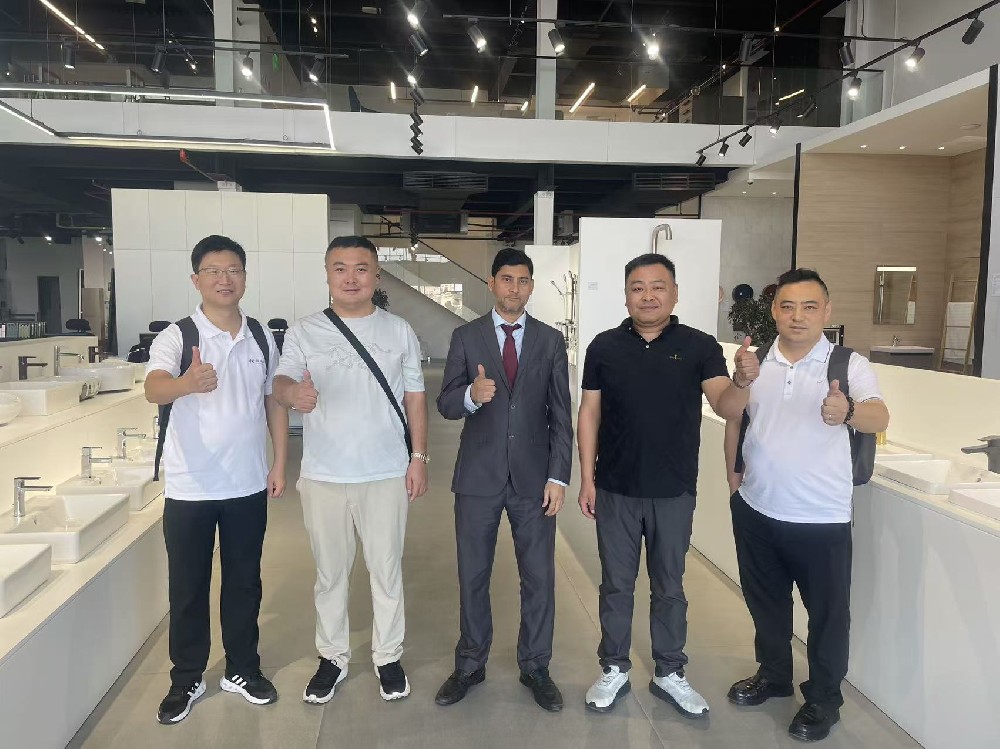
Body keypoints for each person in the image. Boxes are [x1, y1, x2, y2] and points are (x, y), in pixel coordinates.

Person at [577, 253, 759, 717]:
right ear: (626, 296)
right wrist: (587, 478)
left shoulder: (698, 346)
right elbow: (590, 412)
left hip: (674, 490)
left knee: (670, 587)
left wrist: (741, 381)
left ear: (674, 294)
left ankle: (669, 672)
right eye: (637, 287)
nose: (648, 296)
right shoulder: (604, 346)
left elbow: (727, 406)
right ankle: (613, 667)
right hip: (615, 487)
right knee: (616, 586)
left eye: (658, 286)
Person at [723, 268, 889, 742]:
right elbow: (731, 413)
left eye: (810, 307)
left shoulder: (848, 365)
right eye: (788, 306)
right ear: (775, 310)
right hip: (757, 509)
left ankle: (823, 699)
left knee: (828, 616)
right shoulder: (757, 360)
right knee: (766, 605)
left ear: (826, 311)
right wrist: (734, 484)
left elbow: (880, 415)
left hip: (822, 518)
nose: (798, 316)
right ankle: (774, 676)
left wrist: (849, 411)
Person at [272, 235, 429, 706]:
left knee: (386, 571)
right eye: (340, 268)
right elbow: (280, 382)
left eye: (361, 268)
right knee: (330, 574)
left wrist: (418, 457)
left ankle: (388, 656)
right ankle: (332, 657)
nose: (351, 277)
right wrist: (292, 395)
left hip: (385, 472)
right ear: (327, 275)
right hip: (324, 474)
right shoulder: (304, 331)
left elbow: (415, 397)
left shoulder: (398, 330)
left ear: (376, 275)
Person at [145, 234, 287, 725]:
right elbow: (153, 388)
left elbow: (273, 401)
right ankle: (186, 677)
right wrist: (185, 383)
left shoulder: (260, 336)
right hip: (191, 487)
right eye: (213, 271)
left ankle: (243, 668)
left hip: (246, 483)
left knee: (245, 582)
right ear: (196, 279)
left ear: (244, 277)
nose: (225, 280)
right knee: (188, 587)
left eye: (233, 271)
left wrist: (280, 462)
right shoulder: (178, 335)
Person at [435, 248, 573, 712]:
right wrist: (471, 396)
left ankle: (535, 666)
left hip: (534, 481)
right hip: (478, 477)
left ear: (531, 286)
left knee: (539, 577)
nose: (515, 288)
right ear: (492, 283)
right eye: (507, 279)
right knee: (473, 574)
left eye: (523, 280)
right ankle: (470, 664)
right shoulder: (466, 336)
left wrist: (558, 476)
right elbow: (446, 403)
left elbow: (561, 415)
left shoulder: (550, 341)